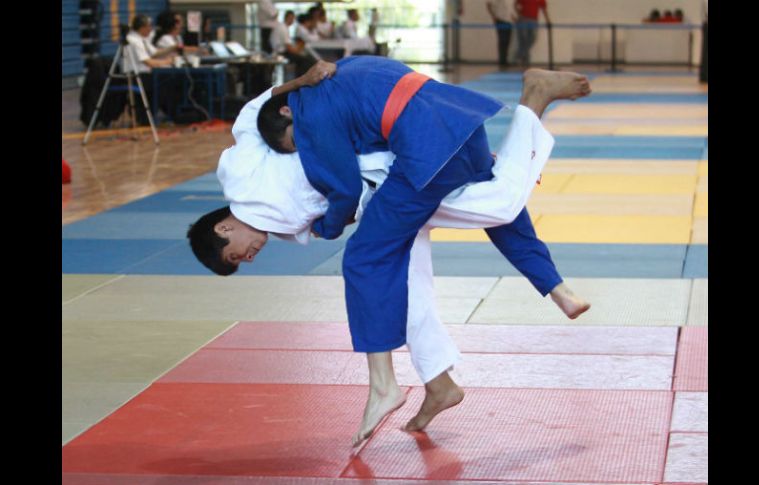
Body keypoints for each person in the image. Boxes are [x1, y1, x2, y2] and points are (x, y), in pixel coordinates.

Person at [188, 59, 591, 445]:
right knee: (408, 283)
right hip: (385, 186)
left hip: (403, 162)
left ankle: (532, 106)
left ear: (223, 228)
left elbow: (256, 108)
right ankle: (439, 382)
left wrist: (302, 80)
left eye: (236, 256)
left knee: (497, 206)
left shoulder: (237, 175)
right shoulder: (285, 229)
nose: (249, 258)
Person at [270, 10, 316, 77]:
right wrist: (298, 51)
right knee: (305, 59)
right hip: (280, 54)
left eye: (293, 19)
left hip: (283, 51)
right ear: (286, 18)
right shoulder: (283, 28)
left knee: (305, 58)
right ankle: (300, 78)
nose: (292, 21)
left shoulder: (283, 27)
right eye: (290, 18)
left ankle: (302, 77)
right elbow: (289, 48)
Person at [514, 0, 550, 67]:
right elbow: (516, 4)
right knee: (522, 39)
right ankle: (525, 59)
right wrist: (519, 14)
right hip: (523, 19)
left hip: (534, 20)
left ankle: (520, 55)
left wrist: (548, 20)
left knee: (533, 38)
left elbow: (544, 9)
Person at [486, 0, 517, 69]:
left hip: (509, 21)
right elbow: (489, 4)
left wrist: (513, 17)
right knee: (502, 40)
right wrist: (494, 17)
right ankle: (502, 61)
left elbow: (509, 9)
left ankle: (505, 60)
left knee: (507, 41)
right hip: (500, 20)